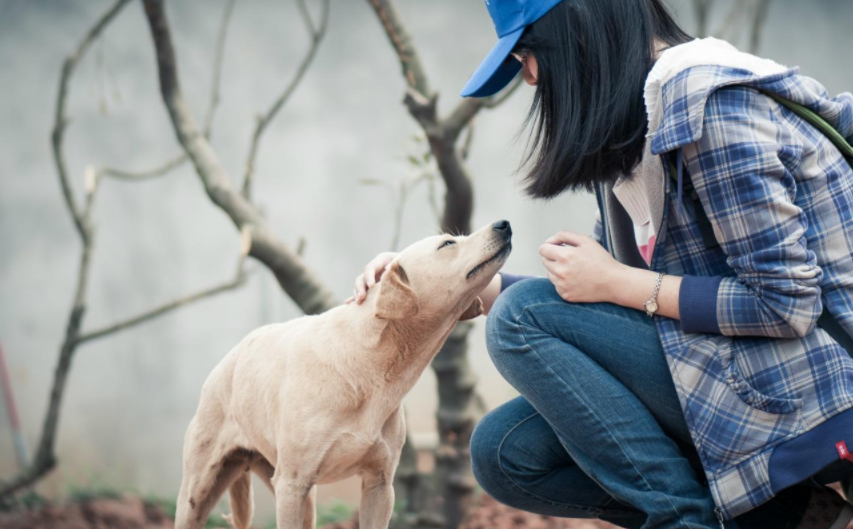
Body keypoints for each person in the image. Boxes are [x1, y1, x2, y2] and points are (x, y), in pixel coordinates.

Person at [347, 0, 853, 527]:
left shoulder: (711, 108)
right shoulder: (637, 128)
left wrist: (619, 282)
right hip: (735, 367)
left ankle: (685, 521)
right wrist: (441, 279)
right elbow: (597, 301)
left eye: (527, 54)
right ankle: (798, 517)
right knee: (503, 452)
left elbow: (785, 304)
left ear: (580, 28)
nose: (530, 77)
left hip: (812, 383)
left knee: (520, 316)